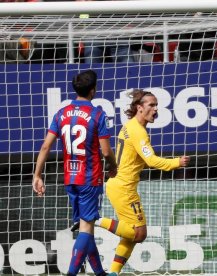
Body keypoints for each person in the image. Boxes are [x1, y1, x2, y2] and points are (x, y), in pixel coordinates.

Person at [85, 89, 190, 274]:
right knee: (139, 234)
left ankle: (113, 272)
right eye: (151, 105)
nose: (156, 109)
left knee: (131, 234)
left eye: (157, 105)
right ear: (139, 108)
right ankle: (94, 220)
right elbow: (151, 160)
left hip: (119, 185)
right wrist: (177, 163)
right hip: (124, 188)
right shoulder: (138, 132)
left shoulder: (129, 126)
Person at [32, 70, 118, 276]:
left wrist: (37, 175)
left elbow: (45, 146)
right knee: (87, 229)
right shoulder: (98, 114)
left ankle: (100, 274)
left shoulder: (61, 114)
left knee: (85, 229)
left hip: (70, 178)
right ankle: (71, 273)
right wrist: (113, 166)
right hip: (90, 178)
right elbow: (106, 151)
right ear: (93, 90)